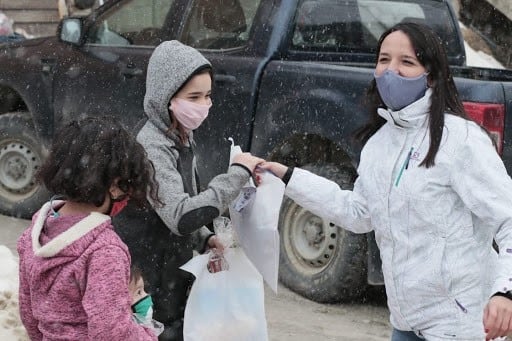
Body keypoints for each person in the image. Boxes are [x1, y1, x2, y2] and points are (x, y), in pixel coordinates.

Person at [260, 22, 512, 341]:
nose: (391, 71)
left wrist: (505, 292)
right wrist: (288, 177)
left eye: (406, 62)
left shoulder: (460, 140)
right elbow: (359, 213)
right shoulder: (379, 144)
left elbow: (508, 218)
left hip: (461, 326)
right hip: (405, 324)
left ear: (431, 74)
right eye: (383, 60)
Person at [113, 40, 263, 341]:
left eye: (207, 96)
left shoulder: (180, 136)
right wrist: (236, 175)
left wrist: (204, 238)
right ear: (165, 97)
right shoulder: (152, 147)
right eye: (193, 96)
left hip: (171, 272)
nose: (203, 105)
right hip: (145, 281)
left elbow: (178, 204)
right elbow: (181, 215)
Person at [17, 117, 160, 340]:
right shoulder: (104, 250)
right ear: (115, 185)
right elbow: (111, 333)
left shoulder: (32, 236)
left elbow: (28, 314)